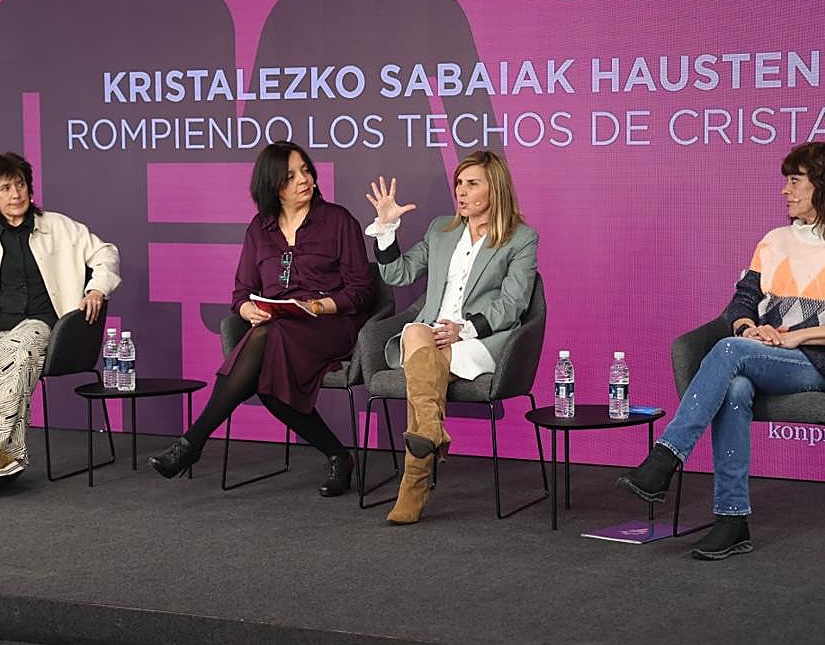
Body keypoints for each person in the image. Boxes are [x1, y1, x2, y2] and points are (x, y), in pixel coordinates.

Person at [617, 141, 825, 560]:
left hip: (818, 365)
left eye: (795, 181)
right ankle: (732, 520)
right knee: (736, 387)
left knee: (730, 352)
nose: (785, 190)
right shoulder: (774, 240)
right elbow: (742, 301)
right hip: (763, 354)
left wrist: (796, 337)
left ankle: (664, 459)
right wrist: (751, 327)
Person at [149, 141, 374, 495]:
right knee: (267, 370)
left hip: (330, 325)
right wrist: (246, 309)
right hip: (279, 328)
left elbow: (362, 290)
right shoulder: (259, 228)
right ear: (272, 186)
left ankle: (191, 443)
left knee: (266, 345)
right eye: (291, 175)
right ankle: (337, 455)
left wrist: (317, 306)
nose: (304, 179)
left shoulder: (338, 220)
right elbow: (241, 291)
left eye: (306, 170)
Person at [365, 151, 538, 525]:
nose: (461, 191)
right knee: (414, 331)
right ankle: (428, 432)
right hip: (428, 335)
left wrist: (467, 328)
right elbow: (399, 274)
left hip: (478, 342)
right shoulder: (441, 230)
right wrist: (386, 231)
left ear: (495, 189)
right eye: (459, 183)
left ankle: (414, 482)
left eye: (472, 183)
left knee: (423, 360)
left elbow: (515, 302)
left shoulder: (520, 238)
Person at [0, 152, 121, 495]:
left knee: (18, 354)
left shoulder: (57, 226)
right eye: (6, 188)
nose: (16, 195)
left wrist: (96, 288)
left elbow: (106, 253)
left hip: (42, 324)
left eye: (21, 185)